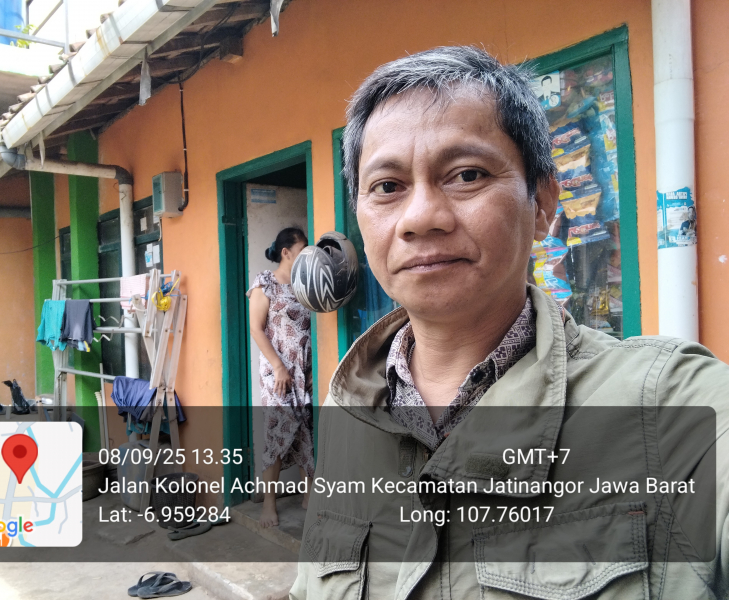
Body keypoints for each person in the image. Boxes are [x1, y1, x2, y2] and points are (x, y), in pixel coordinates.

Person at [290, 46, 728, 599]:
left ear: (542, 203)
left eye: (466, 175)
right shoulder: (348, 410)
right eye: (387, 187)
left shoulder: (673, 411)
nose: (420, 217)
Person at [247, 227, 314, 528]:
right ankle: (269, 504)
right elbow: (256, 328)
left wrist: (310, 370)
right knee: (276, 432)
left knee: (305, 430)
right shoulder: (265, 284)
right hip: (277, 373)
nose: (306, 256)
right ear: (286, 252)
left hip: (303, 372)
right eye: (302, 250)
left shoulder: (305, 284)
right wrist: (278, 366)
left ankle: (309, 496)